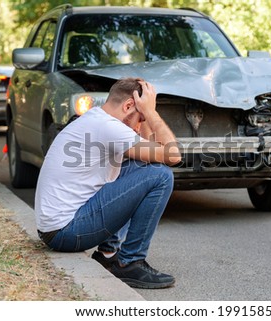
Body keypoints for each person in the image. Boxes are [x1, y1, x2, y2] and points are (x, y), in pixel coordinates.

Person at [34, 77, 181, 289]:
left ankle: (108, 255)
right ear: (129, 105)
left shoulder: (98, 119)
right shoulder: (108, 128)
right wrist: (151, 112)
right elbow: (173, 155)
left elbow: (148, 154)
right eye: (139, 118)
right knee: (161, 176)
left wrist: (145, 114)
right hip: (64, 232)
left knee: (141, 169)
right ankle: (129, 262)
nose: (140, 127)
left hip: (58, 227)